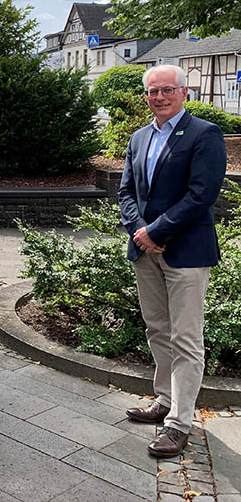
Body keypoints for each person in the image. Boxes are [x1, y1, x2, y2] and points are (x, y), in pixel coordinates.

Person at [119, 64, 226, 458]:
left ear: (184, 93)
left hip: (185, 252)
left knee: (185, 338)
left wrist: (157, 231)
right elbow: (127, 191)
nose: (159, 97)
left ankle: (180, 423)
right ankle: (164, 399)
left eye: (167, 90)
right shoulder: (139, 137)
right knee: (157, 329)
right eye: (152, 91)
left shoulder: (204, 134)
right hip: (145, 249)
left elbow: (202, 195)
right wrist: (140, 231)